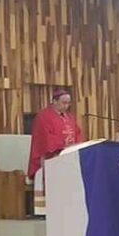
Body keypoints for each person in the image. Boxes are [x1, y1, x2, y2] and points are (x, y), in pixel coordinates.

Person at [27, 89, 84, 217]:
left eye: (68, 103)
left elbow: (77, 132)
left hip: (69, 154)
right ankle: (51, 208)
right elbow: (44, 138)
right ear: (54, 101)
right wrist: (62, 145)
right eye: (63, 102)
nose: (66, 106)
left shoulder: (69, 117)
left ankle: (69, 205)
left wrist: (77, 145)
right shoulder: (43, 117)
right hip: (50, 156)